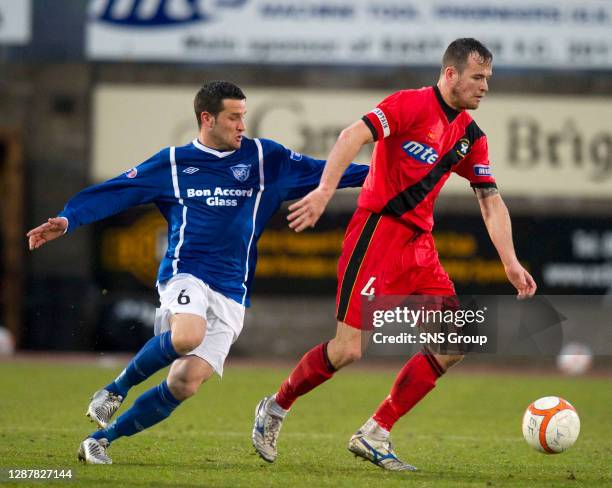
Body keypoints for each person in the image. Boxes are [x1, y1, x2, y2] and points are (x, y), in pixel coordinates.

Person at [27, 81, 369, 465]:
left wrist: (387, 177)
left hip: (232, 290)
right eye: (234, 117)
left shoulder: (264, 159)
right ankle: (113, 391)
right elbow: (117, 190)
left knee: (184, 383)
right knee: (188, 335)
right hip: (185, 272)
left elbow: (328, 172)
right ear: (207, 119)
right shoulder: (173, 164)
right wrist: (70, 218)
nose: (243, 124)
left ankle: (100, 440)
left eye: (244, 115)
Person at [252, 38, 537, 471]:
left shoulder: (471, 137)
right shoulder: (409, 105)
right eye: (477, 77)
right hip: (376, 234)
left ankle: (375, 432)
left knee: (456, 341)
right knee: (348, 350)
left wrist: (510, 262)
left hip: (419, 246)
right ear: (450, 74)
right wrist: (325, 190)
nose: (484, 87)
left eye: (488, 79)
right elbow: (353, 135)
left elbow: (490, 200)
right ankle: (275, 406)